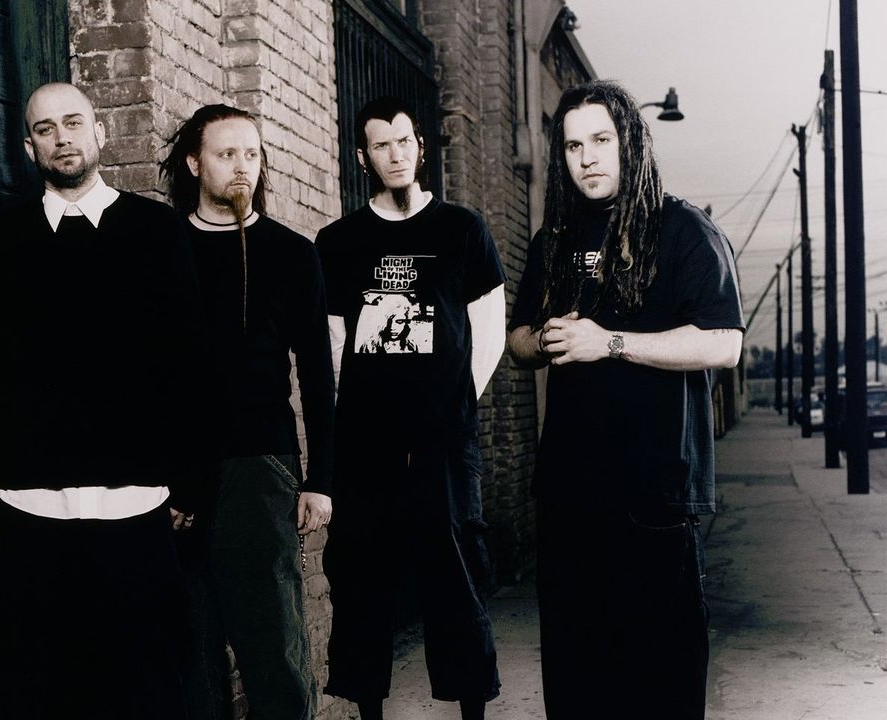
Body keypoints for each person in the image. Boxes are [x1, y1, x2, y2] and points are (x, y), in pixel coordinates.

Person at [0, 82, 203, 719]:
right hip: (31, 505)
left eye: (73, 123)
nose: (61, 137)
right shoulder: (5, 237)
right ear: (29, 147)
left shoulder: (156, 230)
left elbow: (186, 364)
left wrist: (187, 480)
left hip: (136, 503)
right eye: (45, 129)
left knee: (147, 691)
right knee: (46, 693)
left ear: (100, 132)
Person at [506, 80, 743, 720]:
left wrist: (608, 343)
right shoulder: (553, 241)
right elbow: (518, 340)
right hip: (569, 494)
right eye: (573, 146)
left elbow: (723, 343)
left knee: (659, 684)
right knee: (577, 684)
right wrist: (544, 339)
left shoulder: (683, 230)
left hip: (654, 495)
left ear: (630, 143)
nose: (587, 158)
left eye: (601, 140)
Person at [317, 96, 507, 720]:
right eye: (381, 145)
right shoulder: (338, 242)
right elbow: (336, 344)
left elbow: (488, 335)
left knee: (456, 576)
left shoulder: (463, 230)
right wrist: (367, 410)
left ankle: (472, 709)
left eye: (404, 141)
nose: (395, 155)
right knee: (363, 580)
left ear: (420, 147)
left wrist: (447, 410)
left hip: (444, 442)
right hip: (367, 446)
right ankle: (368, 709)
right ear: (363, 157)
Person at [158, 104, 335, 720]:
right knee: (192, 651)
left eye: (252, 154)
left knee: (273, 648)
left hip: (260, 467)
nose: (243, 167)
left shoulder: (291, 253)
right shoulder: (162, 248)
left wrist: (320, 480)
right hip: (173, 476)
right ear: (193, 162)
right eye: (226, 153)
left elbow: (318, 376)